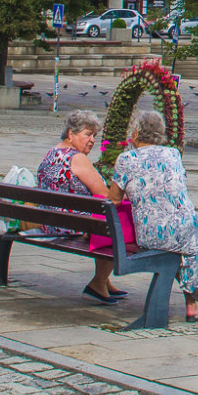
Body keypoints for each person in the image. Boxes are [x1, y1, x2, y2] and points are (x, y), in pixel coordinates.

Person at [113, 109, 198, 322]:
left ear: (136, 133)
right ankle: (191, 302)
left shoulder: (126, 159)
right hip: (185, 229)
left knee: (169, 245)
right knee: (183, 244)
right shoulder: (173, 154)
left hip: (151, 234)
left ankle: (191, 298)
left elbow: (114, 199)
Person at [36, 109, 133, 304]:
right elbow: (107, 196)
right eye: (87, 134)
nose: (92, 140)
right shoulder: (77, 159)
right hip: (71, 225)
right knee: (115, 224)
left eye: (94, 136)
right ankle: (97, 283)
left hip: (50, 220)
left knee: (103, 221)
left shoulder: (53, 152)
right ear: (71, 134)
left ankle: (104, 280)